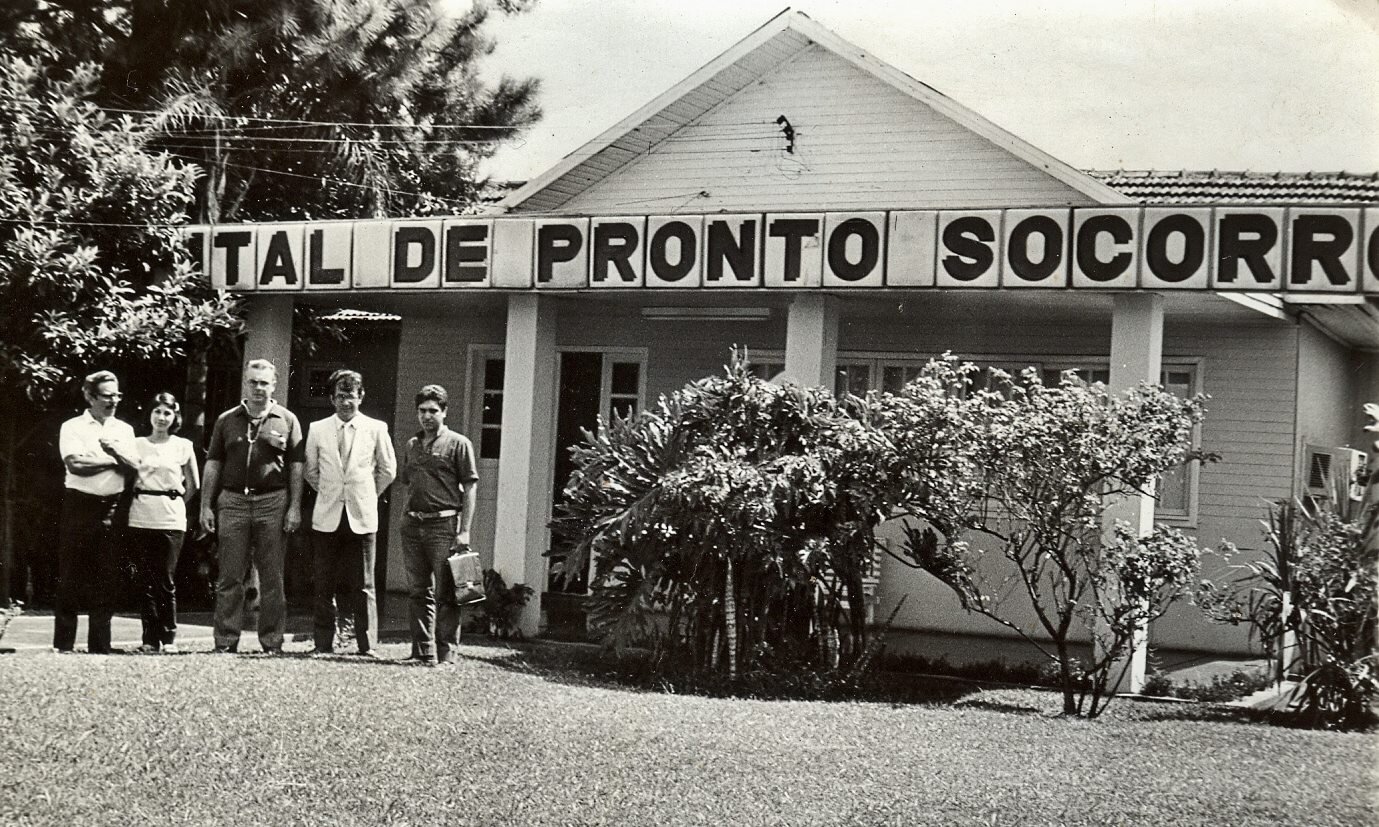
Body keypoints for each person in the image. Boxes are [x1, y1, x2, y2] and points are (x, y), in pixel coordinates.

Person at [200, 359, 304, 654]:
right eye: (253, 382)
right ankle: (225, 641)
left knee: (272, 576)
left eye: (264, 383)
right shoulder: (226, 420)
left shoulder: (287, 420)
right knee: (229, 576)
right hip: (232, 501)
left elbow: (296, 467)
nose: (258, 388)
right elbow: (213, 464)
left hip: (272, 501)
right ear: (246, 384)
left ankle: (271, 642)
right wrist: (205, 506)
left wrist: (295, 506)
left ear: (274, 385)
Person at [304, 369, 396, 657]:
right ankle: (322, 643)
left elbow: (388, 470)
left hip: (362, 515)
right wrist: (334, 493)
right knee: (323, 582)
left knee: (364, 584)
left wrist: (365, 493)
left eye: (352, 396)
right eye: (341, 396)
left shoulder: (376, 428)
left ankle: (366, 645)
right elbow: (310, 470)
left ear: (361, 397)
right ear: (332, 399)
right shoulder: (317, 429)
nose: (346, 403)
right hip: (327, 514)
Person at [54, 370, 137, 654]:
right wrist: (113, 460)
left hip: (112, 507)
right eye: (107, 395)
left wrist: (111, 455)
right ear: (89, 396)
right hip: (79, 505)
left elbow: (134, 467)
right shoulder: (72, 427)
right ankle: (63, 645)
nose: (113, 401)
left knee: (107, 577)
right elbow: (75, 464)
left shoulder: (124, 430)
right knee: (70, 575)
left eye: (117, 395)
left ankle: (100, 646)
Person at [398, 384, 479, 666]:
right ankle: (422, 650)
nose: (427, 416)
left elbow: (469, 488)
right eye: (422, 411)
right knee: (419, 591)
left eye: (433, 411)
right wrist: (405, 517)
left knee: (447, 593)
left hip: (443, 526)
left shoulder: (459, 444)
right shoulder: (412, 445)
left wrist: (464, 530)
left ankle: (446, 654)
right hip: (413, 525)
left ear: (444, 412)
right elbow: (408, 484)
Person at [127, 393, 199, 654]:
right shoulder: (135, 444)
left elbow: (193, 485)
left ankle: (168, 638)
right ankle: (149, 640)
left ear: (175, 417)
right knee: (145, 580)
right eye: (157, 411)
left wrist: (173, 500)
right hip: (141, 515)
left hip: (170, 517)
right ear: (149, 415)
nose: (161, 417)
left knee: (165, 579)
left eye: (167, 413)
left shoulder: (183, 445)